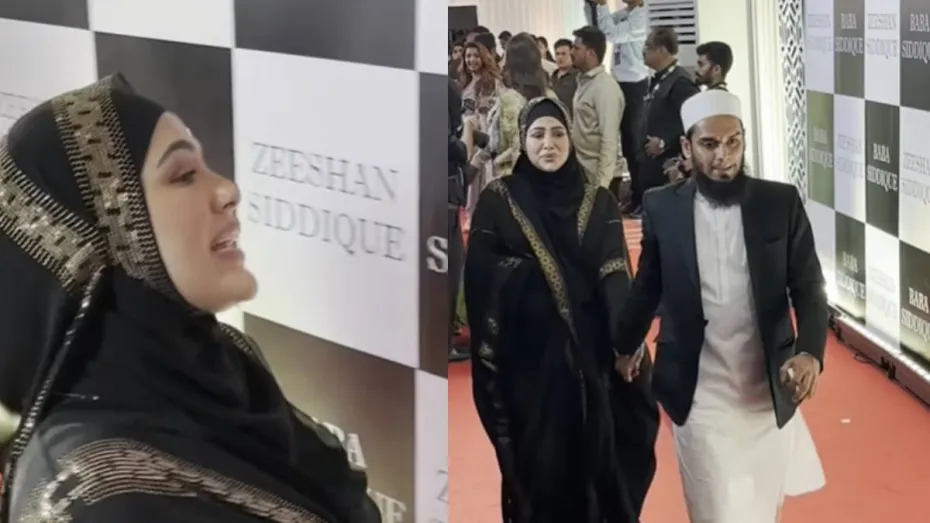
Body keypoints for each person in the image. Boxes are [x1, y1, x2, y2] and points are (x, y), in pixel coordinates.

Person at [0, 75, 380, 523]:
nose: (227, 190)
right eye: (183, 176)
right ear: (104, 234)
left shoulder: (221, 361)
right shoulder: (94, 503)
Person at [613, 90, 827, 522]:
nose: (723, 157)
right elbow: (648, 285)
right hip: (698, 388)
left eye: (733, 143)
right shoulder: (662, 206)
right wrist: (624, 344)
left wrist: (809, 352)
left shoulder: (779, 202)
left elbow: (808, 287)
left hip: (765, 386)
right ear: (687, 147)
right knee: (714, 510)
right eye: (709, 144)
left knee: (760, 509)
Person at [465, 97, 658, 523]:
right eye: (537, 135)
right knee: (541, 480)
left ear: (570, 139)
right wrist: (538, 284)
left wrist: (626, 342)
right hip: (528, 371)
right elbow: (481, 273)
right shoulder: (500, 200)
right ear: (523, 141)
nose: (548, 144)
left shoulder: (597, 202)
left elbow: (614, 272)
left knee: (599, 474)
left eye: (557, 134)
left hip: (591, 364)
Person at [586, 0, 650, 209]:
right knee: (623, 143)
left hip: (635, 86)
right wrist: (592, 6)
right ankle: (634, 195)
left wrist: (603, 5)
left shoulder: (642, 16)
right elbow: (599, 30)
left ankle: (642, 197)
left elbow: (611, 34)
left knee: (634, 144)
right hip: (620, 82)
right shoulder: (625, 13)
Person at [633, 26, 699, 217]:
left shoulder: (680, 82)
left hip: (668, 169)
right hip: (650, 168)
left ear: (661, 49)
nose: (643, 51)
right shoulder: (659, 79)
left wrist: (664, 142)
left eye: (647, 47)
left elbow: (692, 121)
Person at [570, 25, 624, 189]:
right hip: (584, 172)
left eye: (576, 48)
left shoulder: (605, 88)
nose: (571, 52)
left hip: (601, 178)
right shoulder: (584, 82)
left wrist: (602, 186)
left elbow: (609, 140)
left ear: (590, 53)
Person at [550, 38, 579, 116]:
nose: (560, 57)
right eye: (557, 54)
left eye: (564, 54)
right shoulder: (551, 76)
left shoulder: (578, 77)